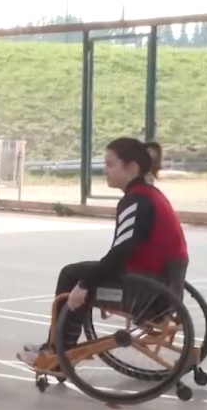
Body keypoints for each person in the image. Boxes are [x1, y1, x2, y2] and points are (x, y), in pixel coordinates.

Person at [17, 137, 188, 366]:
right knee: (80, 272)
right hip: (164, 285)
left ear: (131, 167)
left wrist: (84, 285)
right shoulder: (150, 195)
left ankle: (57, 353)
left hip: (146, 292)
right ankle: (54, 345)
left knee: (72, 276)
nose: (104, 170)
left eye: (110, 164)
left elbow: (122, 251)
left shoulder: (136, 200)